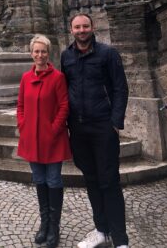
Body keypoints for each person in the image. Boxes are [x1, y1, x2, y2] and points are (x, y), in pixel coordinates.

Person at [61, 13, 129, 248]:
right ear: (71, 30)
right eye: (77, 27)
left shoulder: (108, 54)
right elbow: (65, 89)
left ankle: (121, 240)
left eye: (85, 26)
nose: (81, 30)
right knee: (91, 180)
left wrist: (115, 122)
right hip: (78, 128)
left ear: (92, 27)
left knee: (109, 181)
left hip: (103, 126)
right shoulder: (66, 55)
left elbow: (121, 88)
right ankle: (102, 230)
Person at [17, 34, 71, 248]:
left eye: (43, 51)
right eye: (36, 51)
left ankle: (54, 228)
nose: (40, 55)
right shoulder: (25, 78)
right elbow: (20, 105)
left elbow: (64, 106)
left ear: (49, 53)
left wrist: (54, 129)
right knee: (39, 181)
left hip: (52, 139)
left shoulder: (57, 77)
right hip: (31, 138)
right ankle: (44, 224)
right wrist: (23, 125)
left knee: (54, 181)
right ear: (31, 54)